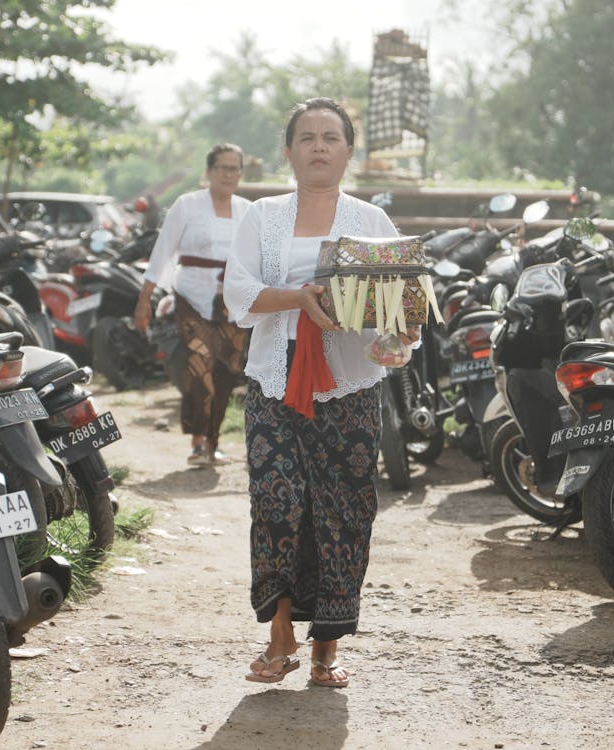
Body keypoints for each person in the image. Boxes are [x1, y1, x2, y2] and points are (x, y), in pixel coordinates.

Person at [223, 98, 415, 688]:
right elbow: (239, 295)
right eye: (306, 137)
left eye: (331, 137)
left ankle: (325, 648)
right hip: (276, 383)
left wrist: (401, 327)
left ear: (349, 151)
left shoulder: (372, 222)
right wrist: (299, 298)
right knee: (278, 506)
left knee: (343, 514)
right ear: (289, 151)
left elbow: (397, 311)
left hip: (351, 388)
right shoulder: (262, 216)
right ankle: (280, 636)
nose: (318, 146)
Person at [134, 144, 252, 466]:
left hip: (232, 303)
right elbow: (161, 254)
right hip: (191, 298)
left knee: (227, 371)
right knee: (201, 366)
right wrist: (144, 301)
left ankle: (213, 443)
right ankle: (198, 443)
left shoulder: (248, 211)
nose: (229, 174)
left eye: (235, 168)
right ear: (209, 172)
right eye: (222, 168)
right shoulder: (187, 205)